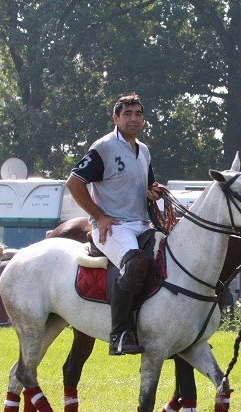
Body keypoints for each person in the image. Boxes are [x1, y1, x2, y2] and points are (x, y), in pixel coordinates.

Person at [66, 93, 163, 355]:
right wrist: (98, 216)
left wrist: (153, 191)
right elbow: (74, 183)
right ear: (116, 118)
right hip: (112, 227)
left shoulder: (143, 150)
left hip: (142, 224)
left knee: (170, 257)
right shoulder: (104, 147)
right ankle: (119, 334)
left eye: (138, 114)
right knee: (136, 263)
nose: (134, 119)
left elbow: (146, 187)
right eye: (128, 114)